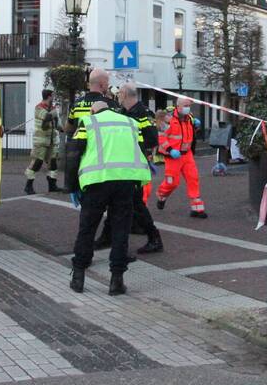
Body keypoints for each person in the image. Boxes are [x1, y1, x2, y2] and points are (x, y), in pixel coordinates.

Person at [69, 101, 151, 296]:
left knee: (87, 229)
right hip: (125, 182)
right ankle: (116, 281)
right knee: (121, 231)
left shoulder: (88, 122)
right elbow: (141, 148)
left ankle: (78, 277)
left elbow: (74, 153)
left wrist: (73, 186)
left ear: (93, 110)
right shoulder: (130, 123)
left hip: (96, 182)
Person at [94, 83, 164, 254]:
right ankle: (107, 237)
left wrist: (134, 146)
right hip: (122, 166)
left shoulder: (143, 113)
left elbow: (152, 139)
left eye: (119, 93)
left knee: (137, 204)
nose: (117, 96)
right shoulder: (122, 112)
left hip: (134, 166)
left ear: (125, 94)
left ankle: (154, 238)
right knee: (116, 202)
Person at [63, 68, 118, 195]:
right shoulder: (111, 105)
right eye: (107, 82)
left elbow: (68, 128)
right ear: (102, 85)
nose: (108, 85)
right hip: (104, 157)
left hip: (81, 156)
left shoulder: (76, 105)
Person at [156, 96, 206, 218]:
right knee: (172, 182)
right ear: (178, 106)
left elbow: (188, 134)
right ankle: (162, 195)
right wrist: (170, 150)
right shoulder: (168, 119)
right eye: (185, 106)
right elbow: (161, 136)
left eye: (189, 106)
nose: (188, 108)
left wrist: (196, 126)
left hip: (187, 154)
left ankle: (197, 209)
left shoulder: (189, 118)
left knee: (193, 179)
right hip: (173, 156)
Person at [24, 89, 62, 194]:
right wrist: (54, 113)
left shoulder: (53, 109)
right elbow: (47, 117)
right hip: (41, 141)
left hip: (52, 141)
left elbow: (57, 124)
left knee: (53, 163)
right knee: (37, 162)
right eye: (53, 95)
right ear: (49, 96)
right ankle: (28, 186)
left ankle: (52, 185)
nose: (54, 97)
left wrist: (63, 129)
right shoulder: (39, 107)